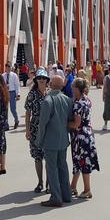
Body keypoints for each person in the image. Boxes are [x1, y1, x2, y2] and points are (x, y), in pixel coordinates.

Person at [36, 75, 74, 208]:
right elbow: (69, 119)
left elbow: (43, 124)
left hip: (50, 141)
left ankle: (56, 197)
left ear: (50, 84)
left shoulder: (48, 100)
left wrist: (39, 140)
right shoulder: (68, 100)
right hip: (63, 139)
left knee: (51, 169)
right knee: (63, 166)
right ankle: (66, 194)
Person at [69, 78, 99, 199]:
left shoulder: (77, 104)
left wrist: (64, 124)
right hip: (88, 133)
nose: (71, 90)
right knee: (79, 161)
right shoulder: (86, 99)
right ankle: (72, 187)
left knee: (82, 162)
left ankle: (87, 190)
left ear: (76, 89)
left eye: (72, 88)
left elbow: (76, 124)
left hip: (80, 135)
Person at [25, 68, 49, 192]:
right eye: (39, 78)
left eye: (43, 78)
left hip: (49, 129)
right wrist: (27, 130)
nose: (41, 80)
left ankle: (49, 184)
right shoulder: (32, 94)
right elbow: (28, 113)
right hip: (35, 128)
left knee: (49, 157)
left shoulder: (50, 93)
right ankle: (40, 182)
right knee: (38, 156)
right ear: (36, 80)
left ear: (47, 80)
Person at [3, 63, 21, 129]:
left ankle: (16, 120)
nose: (8, 68)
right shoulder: (3, 75)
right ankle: (5, 124)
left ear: (11, 67)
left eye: (9, 67)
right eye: (6, 67)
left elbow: (17, 85)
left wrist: (18, 94)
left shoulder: (14, 75)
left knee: (13, 109)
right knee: (5, 109)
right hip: (5, 93)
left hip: (12, 92)